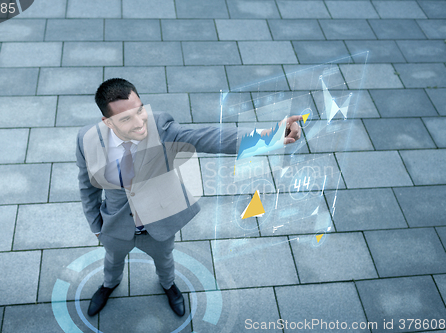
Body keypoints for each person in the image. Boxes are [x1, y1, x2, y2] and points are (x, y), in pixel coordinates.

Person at [75, 78, 302, 317]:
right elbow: (86, 185)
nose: (139, 122)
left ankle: (169, 285)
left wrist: (269, 136)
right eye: (125, 118)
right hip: (115, 226)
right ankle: (109, 285)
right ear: (107, 122)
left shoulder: (160, 127)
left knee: (165, 261)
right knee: (112, 262)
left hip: (158, 222)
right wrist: (96, 227)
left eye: (140, 110)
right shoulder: (86, 139)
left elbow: (211, 137)